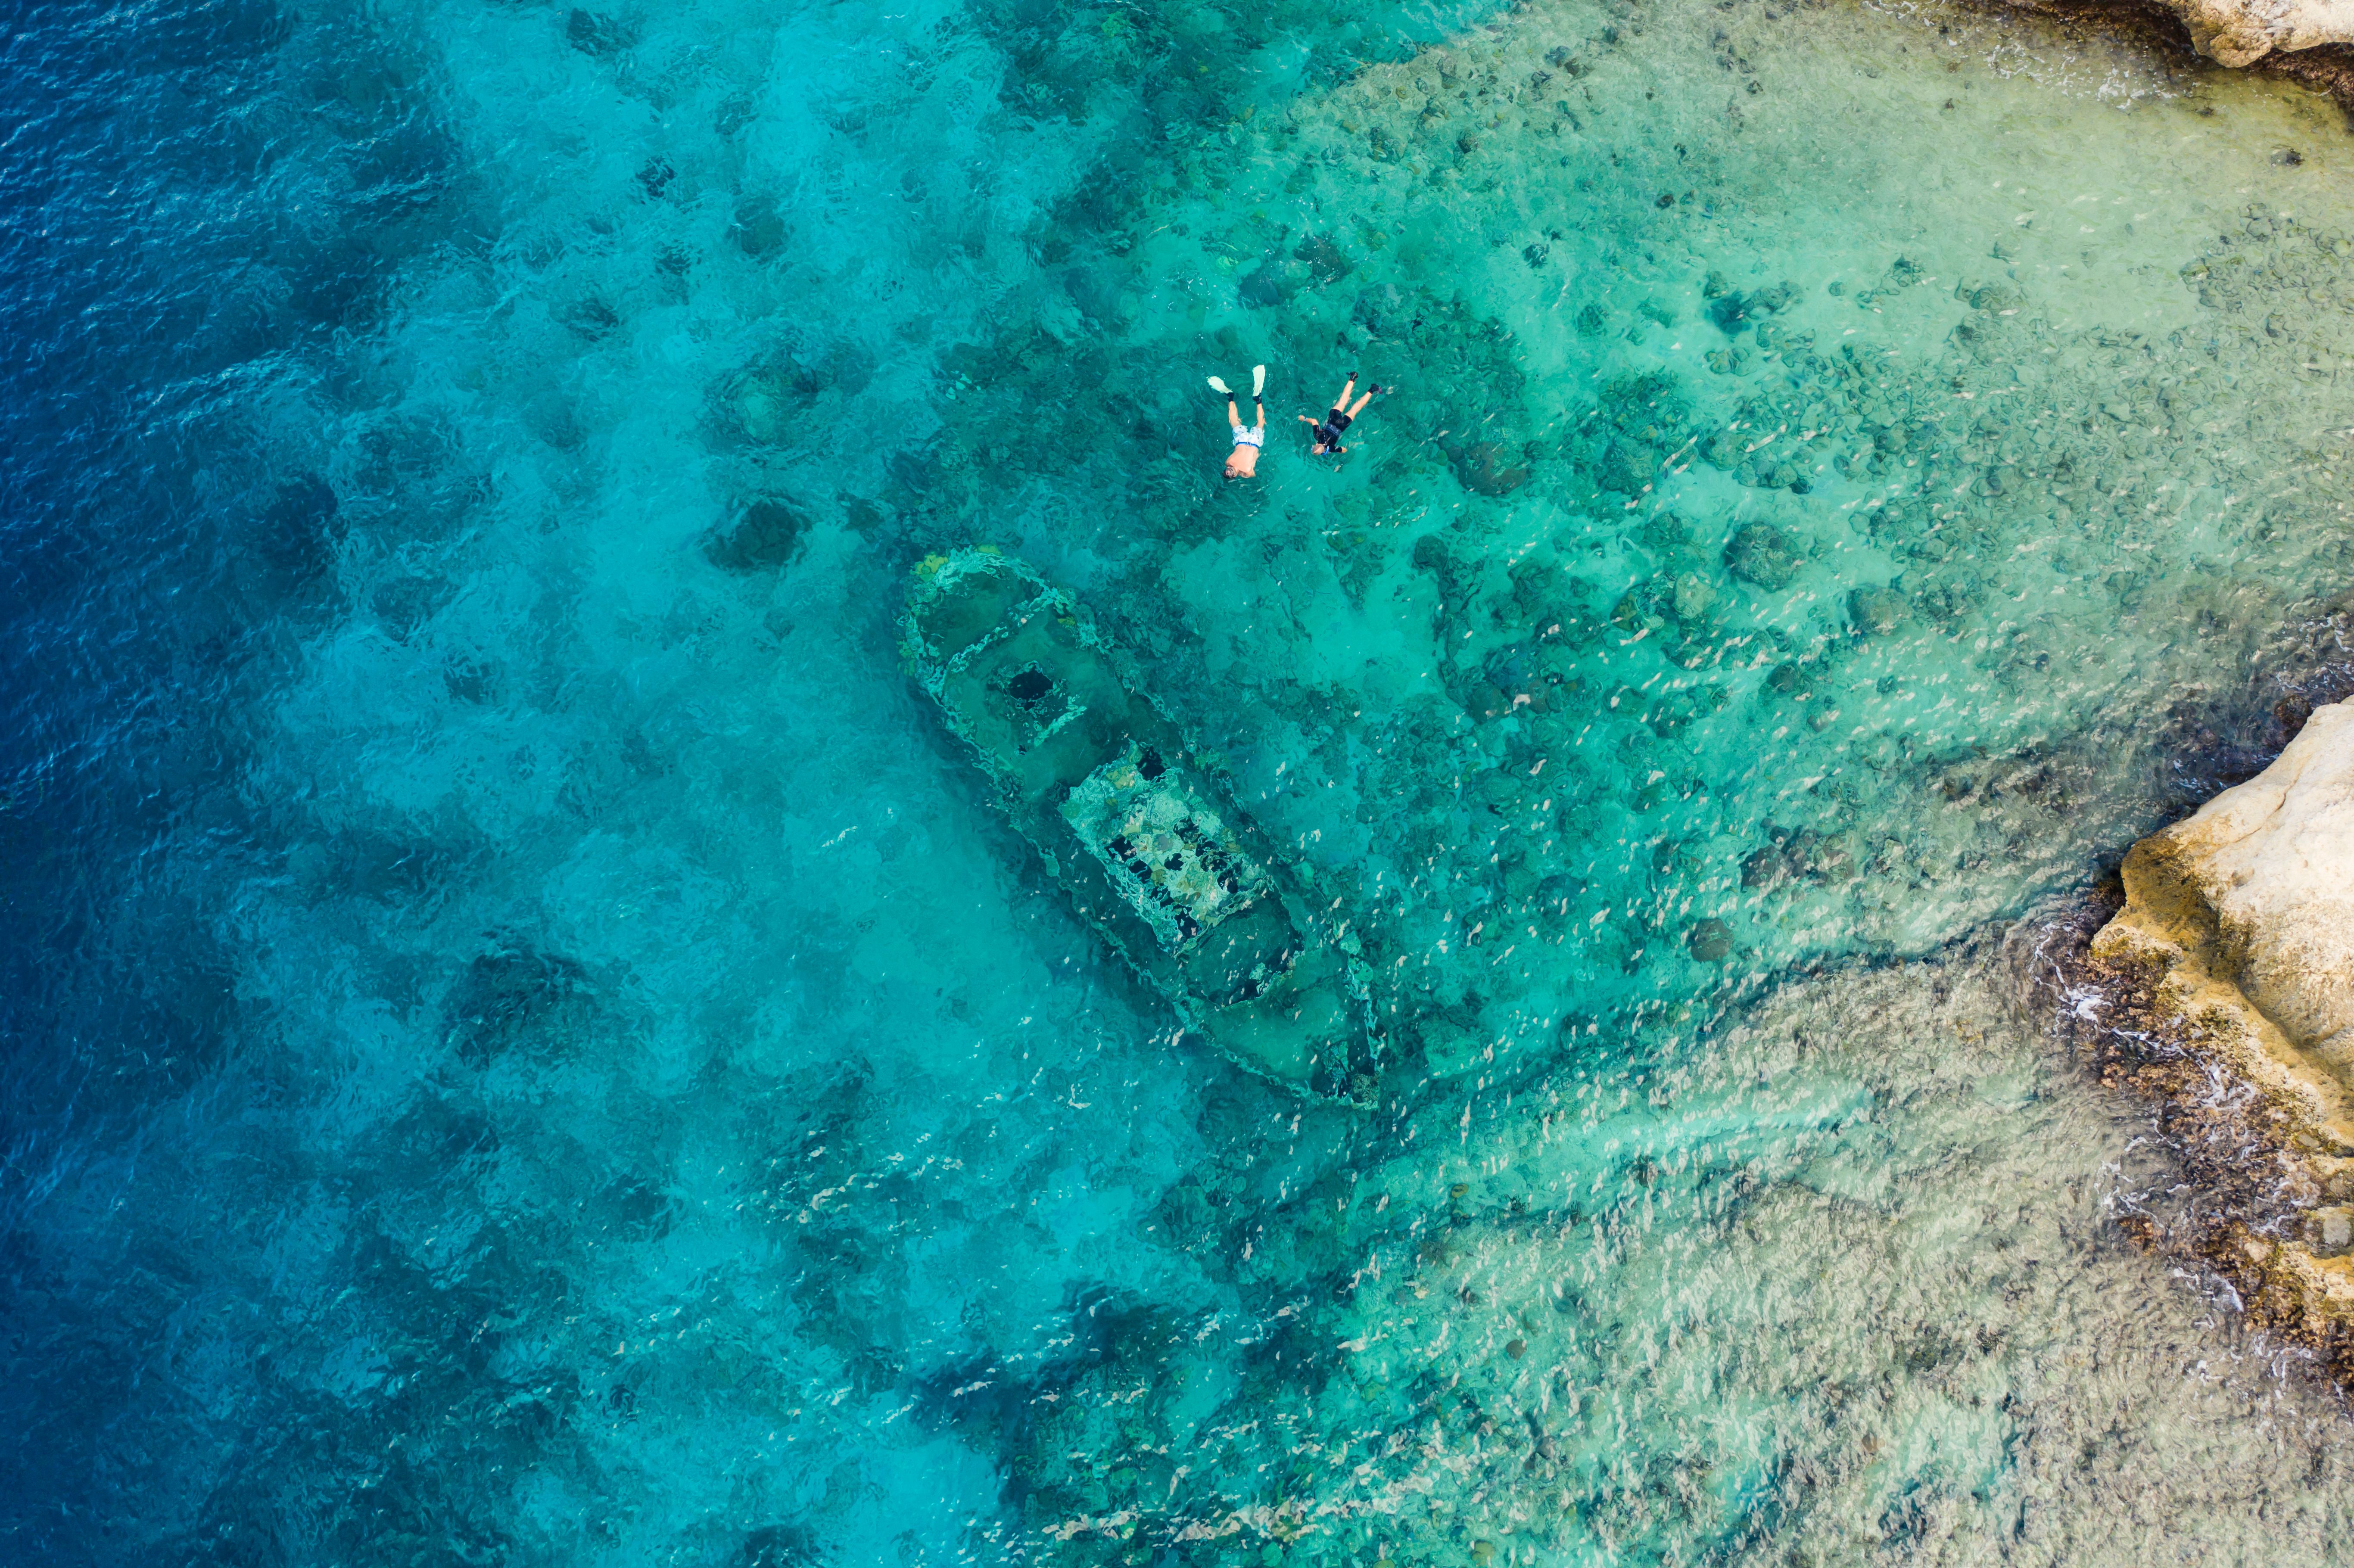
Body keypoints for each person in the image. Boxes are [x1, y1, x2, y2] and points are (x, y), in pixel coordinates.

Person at [1300, 371, 1385, 455]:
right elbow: (1314, 421)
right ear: (1316, 445)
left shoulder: (1332, 448)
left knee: (1356, 408)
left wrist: (1330, 451)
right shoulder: (1317, 436)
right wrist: (1304, 419)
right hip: (1333, 419)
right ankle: (1353, 377)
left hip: (1341, 426)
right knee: (1344, 398)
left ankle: (1373, 389)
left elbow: (1344, 450)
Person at [1210, 364, 1267, 479]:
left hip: (1254, 442)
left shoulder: (1247, 470)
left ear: (1235, 475)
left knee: (1261, 422)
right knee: (1234, 421)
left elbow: (1253, 474)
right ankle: (1230, 397)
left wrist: (1243, 475)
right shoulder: (1229, 462)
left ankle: (1258, 400)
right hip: (1241, 440)